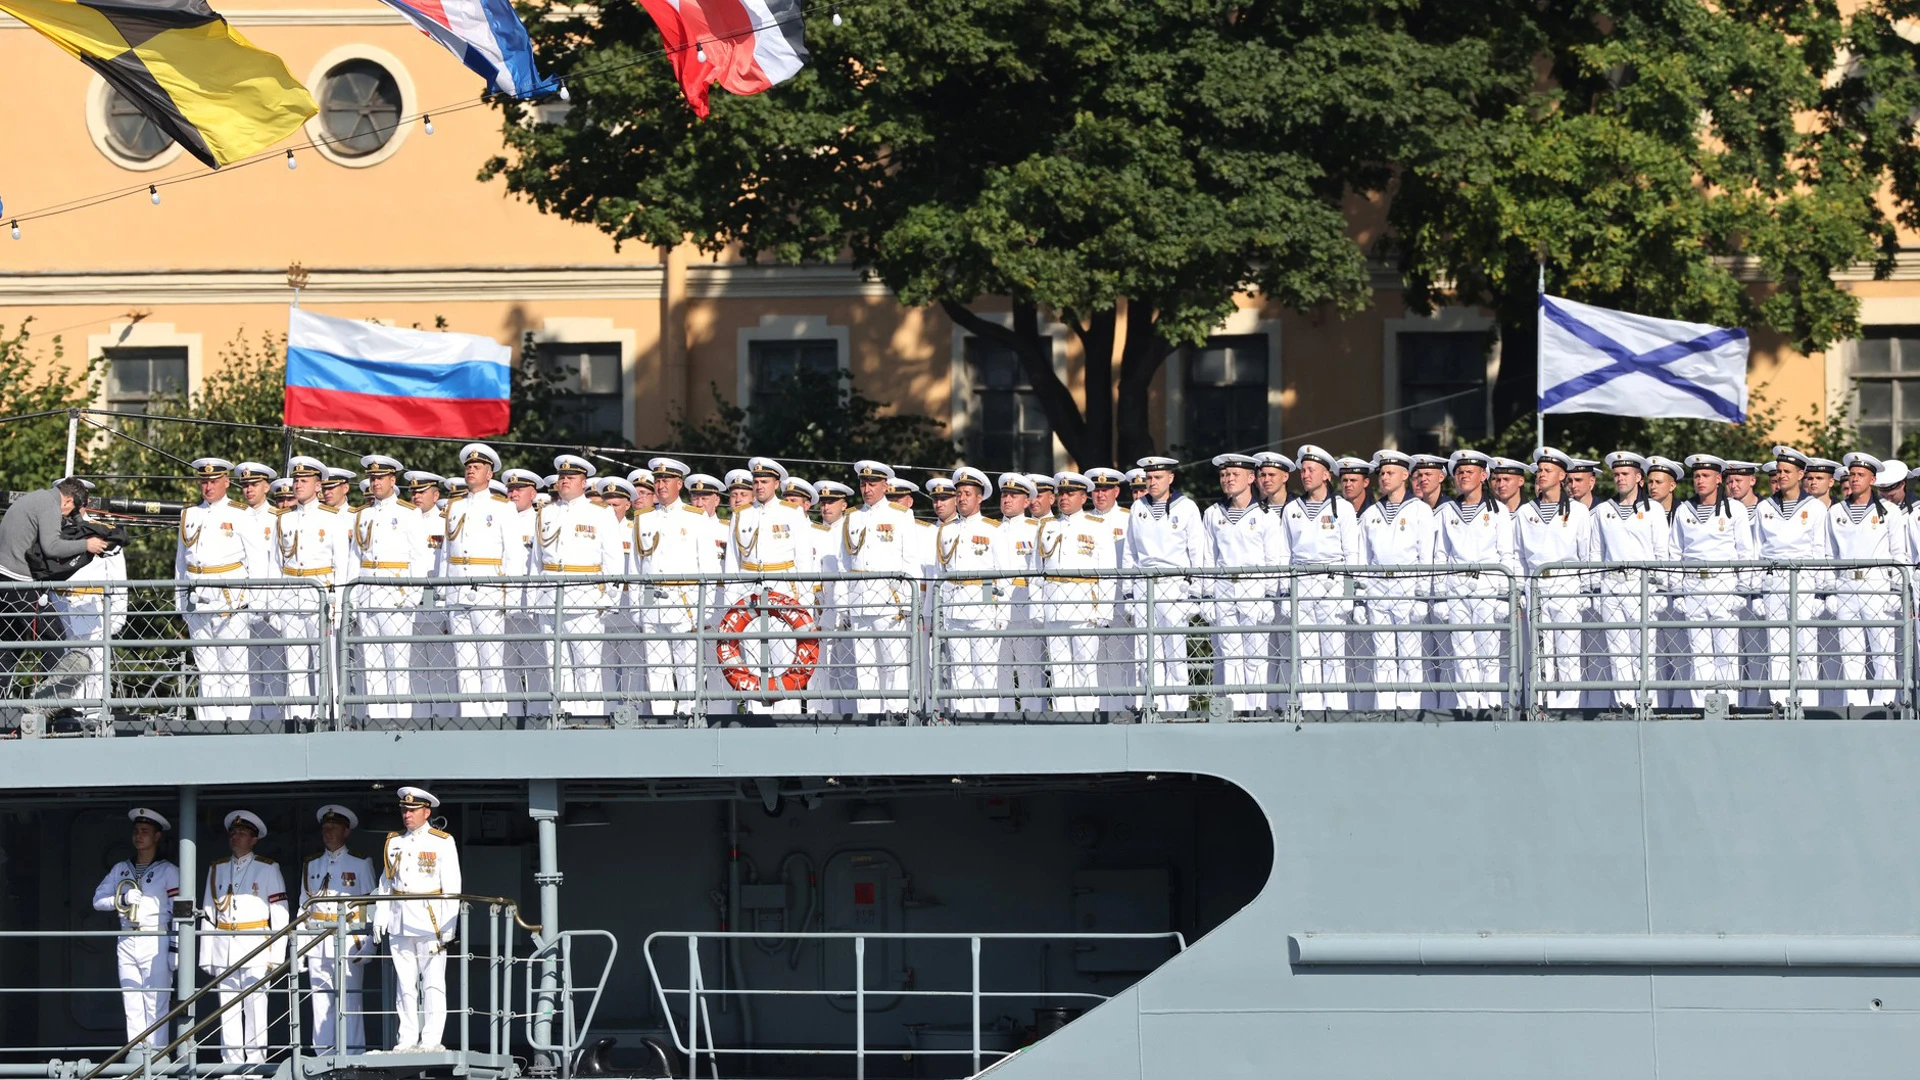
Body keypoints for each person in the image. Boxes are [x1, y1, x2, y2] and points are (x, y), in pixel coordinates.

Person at [534, 456, 624, 719]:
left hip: (586, 599)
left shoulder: (600, 513)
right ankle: (559, 717)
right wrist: (532, 598)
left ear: (583, 483)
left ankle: (589, 719)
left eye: (571, 477)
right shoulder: (546, 513)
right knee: (555, 667)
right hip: (549, 597)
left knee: (587, 666)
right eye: (562, 476)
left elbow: (613, 560)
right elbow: (536, 562)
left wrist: (610, 599)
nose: (564, 480)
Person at [440, 445, 524, 720]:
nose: (471, 470)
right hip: (457, 589)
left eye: (477, 467)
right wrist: (444, 592)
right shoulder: (454, 506)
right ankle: (470, 718)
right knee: (464, 663)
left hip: (489, 592)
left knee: (490, 662)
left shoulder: (503, 507)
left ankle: (495, 717)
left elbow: (514, 555)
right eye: (468, 466)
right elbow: (445, 554)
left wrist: (509, 597)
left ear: (489, 474)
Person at [200, 810, 288, 1064]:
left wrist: (276, 956)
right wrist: (207, 955)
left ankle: (256, 1063)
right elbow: (208, 912)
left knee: (256, 1009)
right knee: (226, 1011)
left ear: (254, 839)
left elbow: (279, 915)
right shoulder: (217, 868)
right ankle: (231, 1064)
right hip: (223, 948)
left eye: (242, 833)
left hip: (256, 949)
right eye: (234, 833)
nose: (236, 837)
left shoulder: (268, 869)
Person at [378, 786, 461, 1052]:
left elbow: (452, 887)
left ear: (426, 812)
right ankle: (407, 1037)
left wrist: (449, 926)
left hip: (431, 921)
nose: (407, 814)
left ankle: (432, 1038)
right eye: (404, 809)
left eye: (412, 810)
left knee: (433, 982)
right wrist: (381, 916)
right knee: (404, 984)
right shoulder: (394, 842)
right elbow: (386, 884)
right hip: (400, 920)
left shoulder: (442, 841)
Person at [1275, 446, 1359, 710]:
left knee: (1333, 654)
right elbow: (1284, 554)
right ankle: (1309, 709)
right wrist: (1286, 592)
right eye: (1303, 469)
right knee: (1305, 654)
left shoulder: (1342, 508)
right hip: (1302, 583)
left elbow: (1351, 554)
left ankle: (1334, 710)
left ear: (1326, 474)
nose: (1305, 474)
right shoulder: (1292, 509)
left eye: (1312, 470)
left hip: (1331, 583)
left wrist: (1349, 593)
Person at [1127, 456, 1211, 713]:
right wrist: (1128, 592)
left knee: (1174, 652)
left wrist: (1197, 590)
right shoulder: (1137, 508)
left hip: (1174, 584)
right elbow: (1130, 552)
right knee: (1145, 652)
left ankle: (1175, 709)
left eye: (1157, 477)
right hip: (1144, 582)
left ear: (1170, 478)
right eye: (1149, 478)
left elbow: (1198, 551)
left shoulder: (1186, 507)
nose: (1152, 482)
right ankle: (1148, 706)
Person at [351, 456, 432, 722]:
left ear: (392, 480)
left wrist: (411, 596)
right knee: (371, 664)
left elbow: (419, 557)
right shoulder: (362, 514)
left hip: (396, 593)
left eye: (380, 478)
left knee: (397, 663)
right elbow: (355, 557)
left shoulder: (408, 513)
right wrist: (352, 595)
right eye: (372, 478)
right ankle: (376, 719)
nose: (375, 483)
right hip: (367, 593)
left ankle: (400, 720)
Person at [1433, 450, 1515, 711]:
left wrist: (1505, 593)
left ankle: (1490, 704)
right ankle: (1468, 705)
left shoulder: (1499, 510)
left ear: (1483, 476)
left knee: (1488, 650)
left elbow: (1506, 553)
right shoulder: (1447, 511)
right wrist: (1440, 595)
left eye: (1469, 472)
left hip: (1487, 585)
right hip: (1456, 585)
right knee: (1462, 651)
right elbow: (1440, 555)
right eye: (1459, 472)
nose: (1463, 476)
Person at [92, 808, 180, 1050]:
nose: (139, 836)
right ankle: (137, 1063)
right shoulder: (121, 868)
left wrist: (175, 948)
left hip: (156, 937)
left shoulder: (168, 871)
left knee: (156, 1004)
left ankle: (158, 1060)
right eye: (136, 831)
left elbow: (179, 912)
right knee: (131, 1003)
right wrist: (120, 899)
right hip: (127, 937)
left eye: (145, 832)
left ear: (157, 836)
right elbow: (98, 900)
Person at [1203, 454, 1285, 713]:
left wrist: (1270, 596)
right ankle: (1234, 711)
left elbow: (1274, 560)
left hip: (1254, 587)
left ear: (1251, 478)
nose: (1227, 479)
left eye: (1234, 474)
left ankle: (1256, 710)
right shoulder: (1213, 513)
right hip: (1224, 586)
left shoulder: (1267, 516)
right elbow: (1208, 557)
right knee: (1229, 655)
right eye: (1224, 475)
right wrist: (1206, 594)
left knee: (1256, 656)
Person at [1511, 448, 1593, 709]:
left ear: (1562, 475)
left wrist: (1584, 591)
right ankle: (1540, 706)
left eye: (1548, 470)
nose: (1541, 474)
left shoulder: (1579, 512)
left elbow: (1587, 555)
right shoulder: (1525, 512)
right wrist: (1523, 589)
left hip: (1567, 584)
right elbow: (1517, 555)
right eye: (1539, 470)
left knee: (1568, 653)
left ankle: (1568, 709)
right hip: (1536, 585)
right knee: (1539, 654)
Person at [1749, 446, 1831, 707]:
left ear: (1801, 474)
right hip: (1774, 581)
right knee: (1777, 647)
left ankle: (1807, 703)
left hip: (1804, 579)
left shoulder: (1816, 508)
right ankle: (1779, 703)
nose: (1782, 475)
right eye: (1779, 471)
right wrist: (1756, 590)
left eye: (1787, 471)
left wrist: (1822, 591)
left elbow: (1821, 549)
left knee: (1806, 646)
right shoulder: (1764, 507)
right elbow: (1757, 551)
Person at [1588, 452, 1671, 708]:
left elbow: (1662, 553)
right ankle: (1625, 704)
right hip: (1611, 583)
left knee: (1644, 651)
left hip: (1641, 584)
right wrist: (1594, 591)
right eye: (1616, 474)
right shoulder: (1603, 511)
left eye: (1625, 474)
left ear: (1639, 478)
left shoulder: (1654, 510)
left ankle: (1647, 703)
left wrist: (1660, 590)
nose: (1620, 479)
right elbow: (1595, 553)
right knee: (1617, 651)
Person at [1669, 455, 1753, 708]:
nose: (1700, 481)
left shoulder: (1735, 509)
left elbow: (1745, 552)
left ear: (1719, 479)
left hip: (1723, 584)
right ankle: (1702, 707)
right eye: (1696, 476)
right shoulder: (1684, 509)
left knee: (1727, 653)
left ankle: (1729, 706)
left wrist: (1743, 590)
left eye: (1706, 476)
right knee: (1700, 654)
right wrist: (1677, 591)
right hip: (1693, 585)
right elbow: (1675, 552)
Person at [275, 458, 355, 723]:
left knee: (325, 664)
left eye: (304, 481)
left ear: (318, 485)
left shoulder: (332, 519)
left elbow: (341, 565)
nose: (298, 485)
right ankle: (296, 717)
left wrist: (340, 606)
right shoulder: (284, 519)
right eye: (296, 480)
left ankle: (330, 716)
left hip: (321, 596)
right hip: (290, 595)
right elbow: (277, 564)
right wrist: (275, 602)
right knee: (294, 665)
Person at [174, 459, 253, 725]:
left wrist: (255, 601)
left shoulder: (241, 513)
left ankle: (238, 721)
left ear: (226, 482)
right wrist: (180, 602)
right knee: (206, 667)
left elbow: (255, 560)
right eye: (204, 482)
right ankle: (210, 723)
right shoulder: (190, 514)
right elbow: (181, 561)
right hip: (197, 597)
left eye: (214, 481)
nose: (208, 487)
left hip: (230, 598)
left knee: (234, 667)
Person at [837, 462, 919, 716]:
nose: (867, 489)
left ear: (885, 486)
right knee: (865, 665)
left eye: (873, 484)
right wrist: (842, 604)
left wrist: (907, 603)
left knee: (893, 662)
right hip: (860, 598)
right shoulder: (851, 516)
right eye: (863, 484)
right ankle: (869, 714)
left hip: (889, 600)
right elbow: (843, 563)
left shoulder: (900, 515)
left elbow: (910, 560)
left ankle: (897, 713)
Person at [934, 468, 1017, 714]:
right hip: (954, 609)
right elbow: (941, 575)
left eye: (967, 494)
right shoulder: (947, 530)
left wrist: (999, 613)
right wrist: (942, 611)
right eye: (958, 493)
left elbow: (1004, 576)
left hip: (982, 610)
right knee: (960, 672)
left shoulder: (993, 530)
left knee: (985, 672)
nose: (961, 499)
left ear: (980, 497)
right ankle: (962, 719)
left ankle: (985, 720)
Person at [1357, 449, 1433, 710]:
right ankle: (1386, 708)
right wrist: (1360, 597)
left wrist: (1423, 595)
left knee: (1410, 653)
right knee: (1383, 655)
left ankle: (1410, 708)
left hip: (1407, 585)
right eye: (1382, 473)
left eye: (1390, 473)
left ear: (1404, 476)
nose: (1385, 477)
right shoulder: (1371, 514)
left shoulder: (1420, 511)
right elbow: (1363, 560)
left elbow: (1426, 556)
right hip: (1378, 587)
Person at [300, 805, 376, 1054]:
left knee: (349, 1001)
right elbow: (304, 907)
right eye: (325, 828)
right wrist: (300, 947)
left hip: (349, 940)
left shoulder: (361, 864)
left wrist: (369, 944)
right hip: (317, 940)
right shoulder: (311, 864)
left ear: (346, 832)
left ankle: (353, 1054)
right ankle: (323, 1056)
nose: (328, 832)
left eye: (333, 828)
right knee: (320, 1002)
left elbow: (370, 906)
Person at [1038, 472, 1116, 711]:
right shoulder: (1047, 526)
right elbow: (1037, 571)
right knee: (1059, 668)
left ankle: (1087, 715)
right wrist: (1038, 608)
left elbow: (1108, 571)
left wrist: (1104, 610)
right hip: (1053, 606)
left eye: (1070, 494)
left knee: (1085, 666)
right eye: (1061, 494)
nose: (1064, 498)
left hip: (1084, 608)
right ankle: (1063, 715)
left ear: (1084, 498)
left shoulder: (1098, 527)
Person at [1832, 453, 1905, 707]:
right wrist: (1829, 591)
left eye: (1860, 475)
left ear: (1872, 479)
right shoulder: (1836, 511)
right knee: (1850, 651)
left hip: (1876, 585)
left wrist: (1897, 590)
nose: (1854, 479)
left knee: (1881, 649)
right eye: (1851, 474)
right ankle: (1856, 704)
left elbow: (1899, 553)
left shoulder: (1889, 512)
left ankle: (1884, 703)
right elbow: (1829, 554)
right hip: (1845, 583)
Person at [51, 486, 127, 718]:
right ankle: (72, 714)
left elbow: (117, 576)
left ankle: (93, 717)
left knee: (94, 665)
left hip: (92, 607)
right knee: (68, 664)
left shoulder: (103, 530)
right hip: (62, 605)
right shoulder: (54, 530)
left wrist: (118, 615)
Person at [1084, 468, 1138, 712]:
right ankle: (1099, 711)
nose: (1100, 494)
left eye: (1106, 489)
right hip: (1088, 602)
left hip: (1118, 599)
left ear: (1117, 491)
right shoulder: (1083, 519)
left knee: (1122, 660)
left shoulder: (1129, 518)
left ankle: (1123, 711)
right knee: (1094, 661)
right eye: (1096, 490)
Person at [994, 473, 1045, 711]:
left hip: (1026, 606)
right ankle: (1002, 718)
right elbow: (988, 576)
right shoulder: (993, 530)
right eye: (1004, 495)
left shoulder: (1037, 529)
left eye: (1014, 495)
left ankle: (1033, 717)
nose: (1007, 499)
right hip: (997, 609)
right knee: (998, 669)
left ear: (1027, 502)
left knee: (1030, 670)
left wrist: (1038, 610)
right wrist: (990, 606)